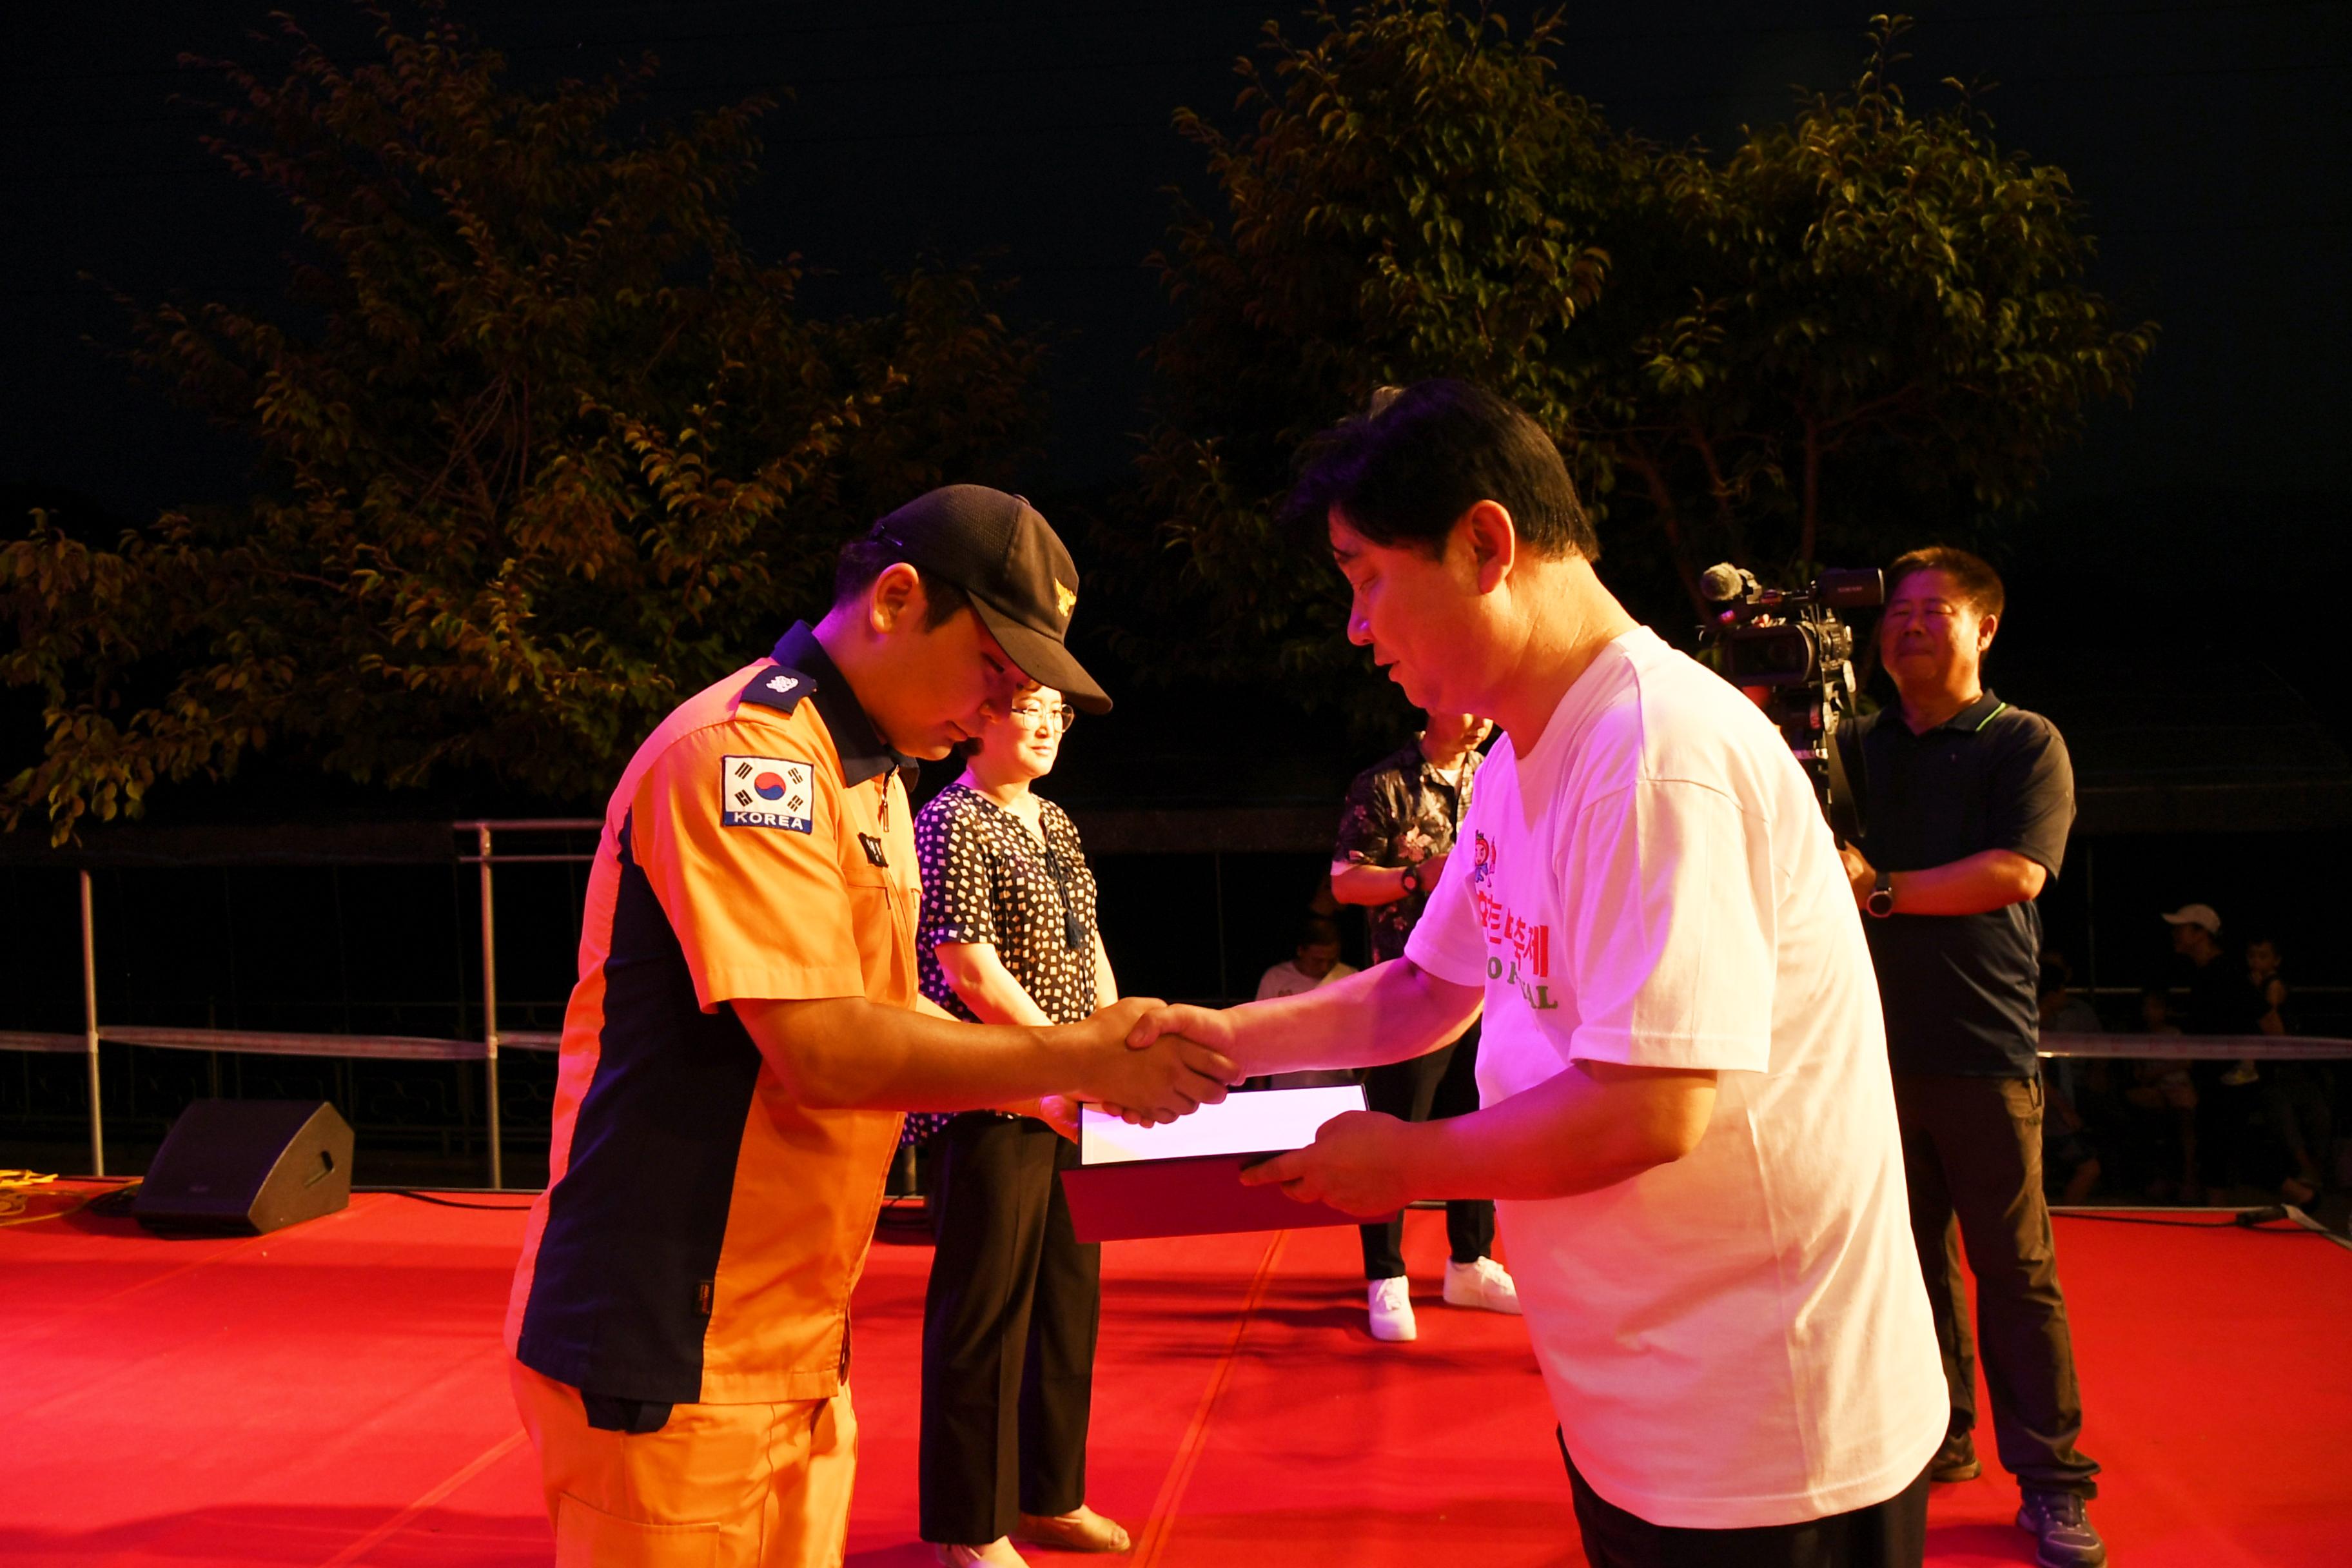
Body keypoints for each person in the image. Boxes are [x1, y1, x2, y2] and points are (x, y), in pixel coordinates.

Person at [1130, 380, 1946, 1566]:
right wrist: (1214, 1038)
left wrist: (1405, 1162)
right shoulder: (1523, 753)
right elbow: (1423, 988)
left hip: (1769, 1432)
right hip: (1639, 1395)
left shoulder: (1653, 756)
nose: (1356, 628)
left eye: (1363, 576)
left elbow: (1651, 1106)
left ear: (1484, 545)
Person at [503, 485, 1235, 1568]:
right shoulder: (744, 757)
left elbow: (890, 1025)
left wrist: (1070, 1094)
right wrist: (1081, 1053)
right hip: (666, 1337)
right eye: (994, 669)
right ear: (896, 599)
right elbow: (825, 1049)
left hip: (788, 1337)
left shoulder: (875, 778)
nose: (1001, 710)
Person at [1838, 545, 2105, 1565]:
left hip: (1982, 1043)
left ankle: (2053, 1483)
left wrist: (1882, 889)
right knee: (1905, 1262)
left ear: (1983, 629)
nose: (1907, 625)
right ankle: (1938, 1435)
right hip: (1863, 1050)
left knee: (2015, 1268)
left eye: (1932, 611)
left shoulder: (2021, 741)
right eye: (1895, 611)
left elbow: (2018, 872)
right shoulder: (1852, 745)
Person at [911, 687, 1126, 1568]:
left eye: (1058, 716)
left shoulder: (1057, 821)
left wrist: (1112, 1055)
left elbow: (1091, 949)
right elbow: (969, 970)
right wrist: (1052, 1068)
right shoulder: (950, 819)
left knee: (1067, 1307)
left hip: (1072, 1096)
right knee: (985, 1313)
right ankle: (971, 1524)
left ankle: (1050, 1497)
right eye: (1029, 709)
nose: (1045, 727)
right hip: (994, 1096)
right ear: (980, 719)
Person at [1329, 707, 1518, 1340]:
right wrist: (1416, 875)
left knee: (1477, 1125)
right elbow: (1346, 882)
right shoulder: (1385, 783)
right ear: (1436, 698)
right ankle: (1386, 1274)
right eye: (1469, 702)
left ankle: (1471, 1260)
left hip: (1489, 986)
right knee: (1393, 1127)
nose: (1482, 717)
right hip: (1409, 986)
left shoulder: (1502, 775)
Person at [2164, 903, 2266, 1193]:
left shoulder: (2227, 973)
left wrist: (2260, 1063)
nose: (2176, 933)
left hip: (2233, 1080)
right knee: (2216, 1154)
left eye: (2182, 927)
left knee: (2232, 1151)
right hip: (2214, 1079)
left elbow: (2268, 1021)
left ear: (2201, 933)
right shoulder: (2204, 974)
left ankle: (2303, 1195)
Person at [2248, 934, 2331, 1207]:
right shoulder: (2255, 985)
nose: (2256, 961)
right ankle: (2307, 1171)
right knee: (2283, 1115)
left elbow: (2270, 1011)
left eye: (2263, 956)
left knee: (2316, 1113)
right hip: (2271, 1071)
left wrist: (2261, 992)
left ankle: (2313, 1171)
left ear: (2276, 960)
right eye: (2252, 956)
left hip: (2292, 1066)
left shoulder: (2272, 985)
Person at [2034, 959, 2103, 1206]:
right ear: (2051, 994)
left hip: (2051, 1114)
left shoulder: (2048, 1025)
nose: (2066, 995)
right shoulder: (2038, 1029)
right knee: (2089, 1168)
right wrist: (2065, 1111)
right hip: (2051, 1119)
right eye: (2062, 989)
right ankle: (2066, 1219)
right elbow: (2040, 1077)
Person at [1256, 916, 1358, 1001]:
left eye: (1332, 961)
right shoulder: (1275, 978)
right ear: (1301, 951)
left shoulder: (1350, 977)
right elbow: (1260, 1020)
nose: (1325, 968)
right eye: (1317, 961)